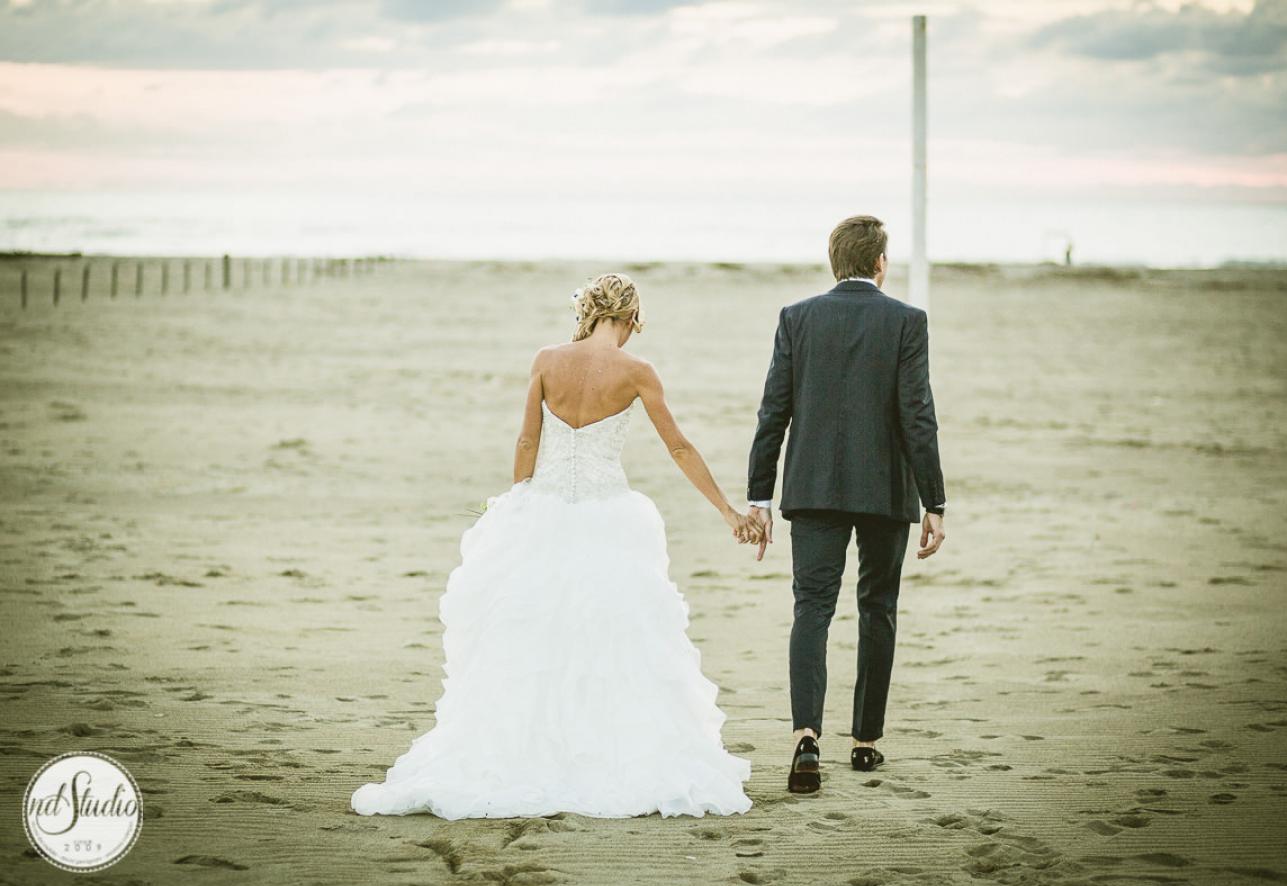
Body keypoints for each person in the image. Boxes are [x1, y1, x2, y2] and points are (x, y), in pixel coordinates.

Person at [351, 273, 757, 820]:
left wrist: (517, 504)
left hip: (541, 512)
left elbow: (527, 440)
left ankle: (527, 755)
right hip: (609, 519)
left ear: (589, 313)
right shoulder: (637, 371)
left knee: (532, 638)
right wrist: (729, 511)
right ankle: (605, 753)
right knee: (614, 640)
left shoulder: (546, 359)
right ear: (631, 319)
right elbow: (678, 447)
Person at [745, 215, 948, 793]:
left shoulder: (797, 318)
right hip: (885, 489)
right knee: (877, 606)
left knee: (812, 607)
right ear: (881, 264)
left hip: (812, 487)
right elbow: (918, 415)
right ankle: (865, 743)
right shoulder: (908, 321)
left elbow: (772, 412)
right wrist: (935, 500)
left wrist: (760, 495)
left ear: (834, 262)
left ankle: (806, 738)